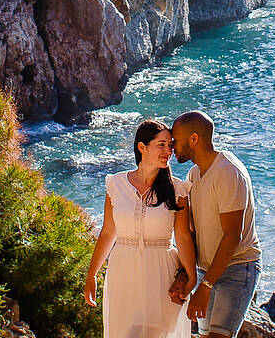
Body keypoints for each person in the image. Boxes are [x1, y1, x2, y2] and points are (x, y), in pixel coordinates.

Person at [84, 120, 198, 338]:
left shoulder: (177, 189)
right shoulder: (116, 185)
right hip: (123, 273)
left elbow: (183, 237)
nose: (168, 151)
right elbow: (108, 232)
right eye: (161, 145)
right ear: (142, 147)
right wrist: (92, 275)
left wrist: (191, 278)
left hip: (162, 274)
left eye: (171, 146)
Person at [171, 111, 262, 338]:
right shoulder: (193, 174)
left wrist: (206, 286)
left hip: (237, 269)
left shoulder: (228, 172)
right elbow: (192, 231)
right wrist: (185, 273)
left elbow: (233, 235)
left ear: (194, 139)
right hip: (207, 270)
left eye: (176, 140)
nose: (172, 146)